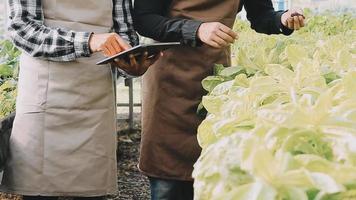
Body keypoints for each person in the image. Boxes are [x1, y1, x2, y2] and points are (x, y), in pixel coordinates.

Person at [134, 0, 305, 199]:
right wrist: (196, 29)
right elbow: (144, 20)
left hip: (216, 80)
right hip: (169, 80)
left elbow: (261, 16)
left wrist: (283, 19)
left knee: (214, 176)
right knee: (168, 181)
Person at [0, 0, 158, 199]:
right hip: (45, 96)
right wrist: (88, 41)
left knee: (91, 193)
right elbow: (22, 29)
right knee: (39, 193)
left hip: (96, 100)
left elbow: (125, 34)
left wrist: (131, 65)